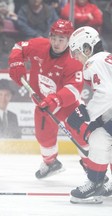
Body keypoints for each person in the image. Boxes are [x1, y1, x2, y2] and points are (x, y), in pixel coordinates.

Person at [8, 19, 89, 179]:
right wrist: (16, 62)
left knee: (83, 136)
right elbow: (19, 47)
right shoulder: (39, 45)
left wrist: (54, 101)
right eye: (54, 38)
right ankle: (51, 163)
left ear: (69, 40)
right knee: (43, 136)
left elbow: (73, 89)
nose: (56, 43)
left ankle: (93, 168)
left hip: (68, 106)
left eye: (61, 39)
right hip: (43, 105)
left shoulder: (74, 59)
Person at [67, 26, 112, 204]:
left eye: (76, 52)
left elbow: (107, 94)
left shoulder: (93, 62)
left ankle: (95, 182)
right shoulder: (106, 58)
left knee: (99, 138)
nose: (75, 57)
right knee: (102, 135)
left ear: (87, 48)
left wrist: (87, 114)